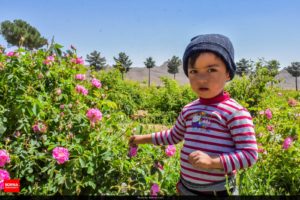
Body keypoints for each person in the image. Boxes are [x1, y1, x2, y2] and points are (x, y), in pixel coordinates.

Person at [129, 34, 258, 196]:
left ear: (228, 74)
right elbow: (173, 136)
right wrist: (142, 139)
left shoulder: (235, 113)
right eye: (194, 71)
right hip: (187, 187)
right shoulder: (189, 109)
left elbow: (249, 155)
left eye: (211, 69)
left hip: (219, 190)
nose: (202, 79)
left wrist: (213, 162)